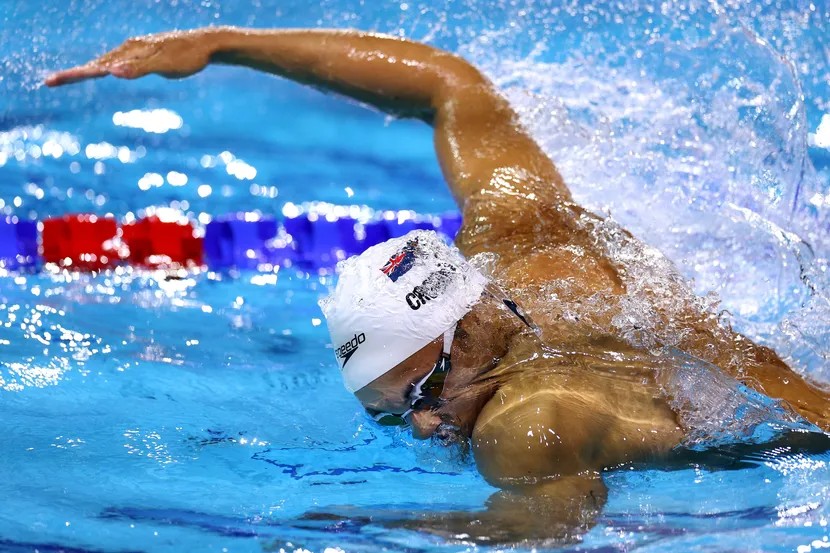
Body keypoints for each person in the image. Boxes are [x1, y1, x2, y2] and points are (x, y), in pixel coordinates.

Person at [46, 27, 830, 544]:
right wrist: (222, 45)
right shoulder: (515, 231)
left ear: (472, 320)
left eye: (425, 389)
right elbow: (449, 86)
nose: (426, 428)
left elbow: (541, 530)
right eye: (396, 416)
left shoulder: (523, 424)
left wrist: (362, 526)